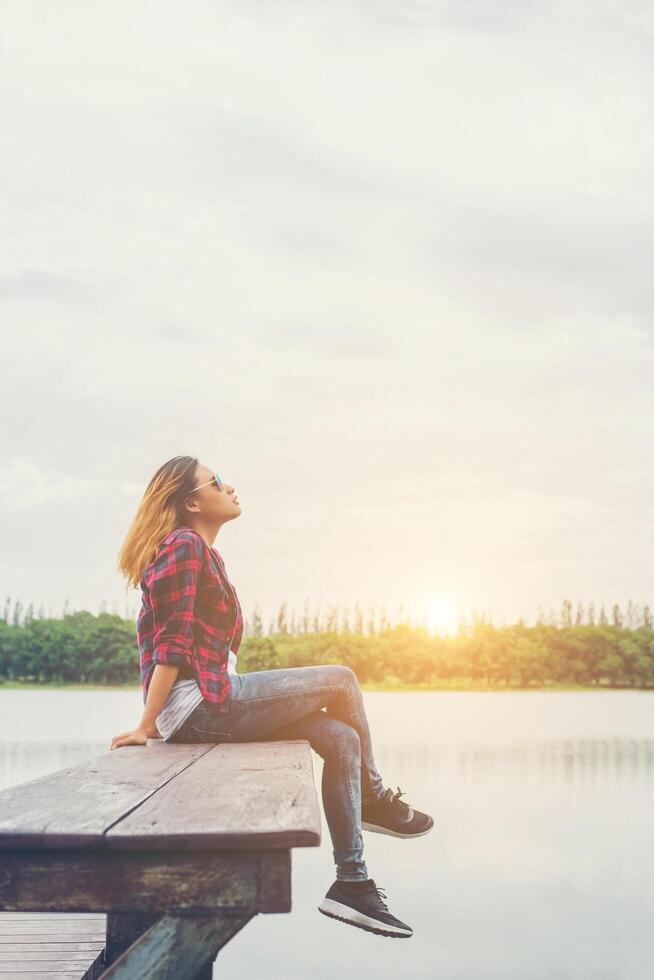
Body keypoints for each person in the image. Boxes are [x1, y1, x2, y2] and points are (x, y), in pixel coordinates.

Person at [112, 454, 433, 938]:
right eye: (217, 481)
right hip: (204, 705)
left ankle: (352, 884)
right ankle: (375, 797)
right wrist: (147, 723)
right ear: (193, 501)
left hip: (207, 702)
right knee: (343, 679)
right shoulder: (183, 546)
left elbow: (178, 644)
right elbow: (170, 646)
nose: (230, 486)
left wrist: (158, 719)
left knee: (341, 737)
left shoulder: (199, 550)